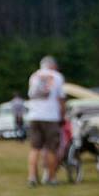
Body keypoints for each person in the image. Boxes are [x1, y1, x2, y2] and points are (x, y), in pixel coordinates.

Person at [26, 55, 65, 187]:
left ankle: (31, 177)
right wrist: (62, 115)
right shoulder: (57, 77)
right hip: (50, 116)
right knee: (51, 149)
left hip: (34, 116)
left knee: (34, 148)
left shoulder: (33, 76)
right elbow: (61, 99)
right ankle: (52, 178)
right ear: (53, 66)